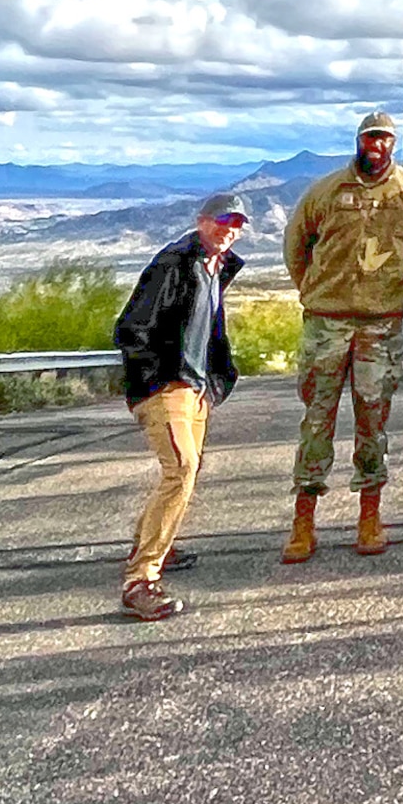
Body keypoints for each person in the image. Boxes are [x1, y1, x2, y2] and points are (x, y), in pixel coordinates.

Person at [280, 111, 403, 563]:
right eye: (371, 137)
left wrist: (394, 287)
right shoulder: (327, 191)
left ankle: (370, 516)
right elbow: (297, 244)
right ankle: (303, 521)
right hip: (326, 322)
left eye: (385, 139)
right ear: (359, 140)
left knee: (373, 421)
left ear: (394, 143)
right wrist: (313, 290)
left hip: (379, 325)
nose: (378, 145)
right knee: (316, 422)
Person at [113, 190, 246, 621]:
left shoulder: (214, 268)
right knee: (181, 469)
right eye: (224, 219)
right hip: (166, 386)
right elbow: (131, 328)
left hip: (196, 387)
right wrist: (159, 379)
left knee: (186, 473)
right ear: (202, 220)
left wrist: (213, 382)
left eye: (238, 223)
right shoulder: (173, 264)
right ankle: (140, 580)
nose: (230, 229)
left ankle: (153, 545)